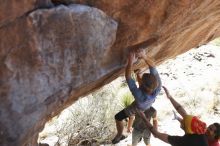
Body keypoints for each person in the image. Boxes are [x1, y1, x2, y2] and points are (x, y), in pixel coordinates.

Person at [112, 49, 162, 144]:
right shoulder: (158, 86)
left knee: (118, 117)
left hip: (137, 108)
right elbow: (153, 66)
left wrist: (130, 61)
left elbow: (128, 77)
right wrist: (144, 56)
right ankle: (138, 74)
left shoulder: (139, 95)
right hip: (148, 103)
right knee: (142, 85)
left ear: (142, 85)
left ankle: (120, 134)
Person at [142, 86, 219, 146]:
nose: (207, 129)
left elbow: (156, 134)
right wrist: (170, 97)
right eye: (209, 127)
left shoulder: (188, 139)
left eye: (211, 129)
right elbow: (183, 113)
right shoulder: (199, 131)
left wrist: (143, 117)